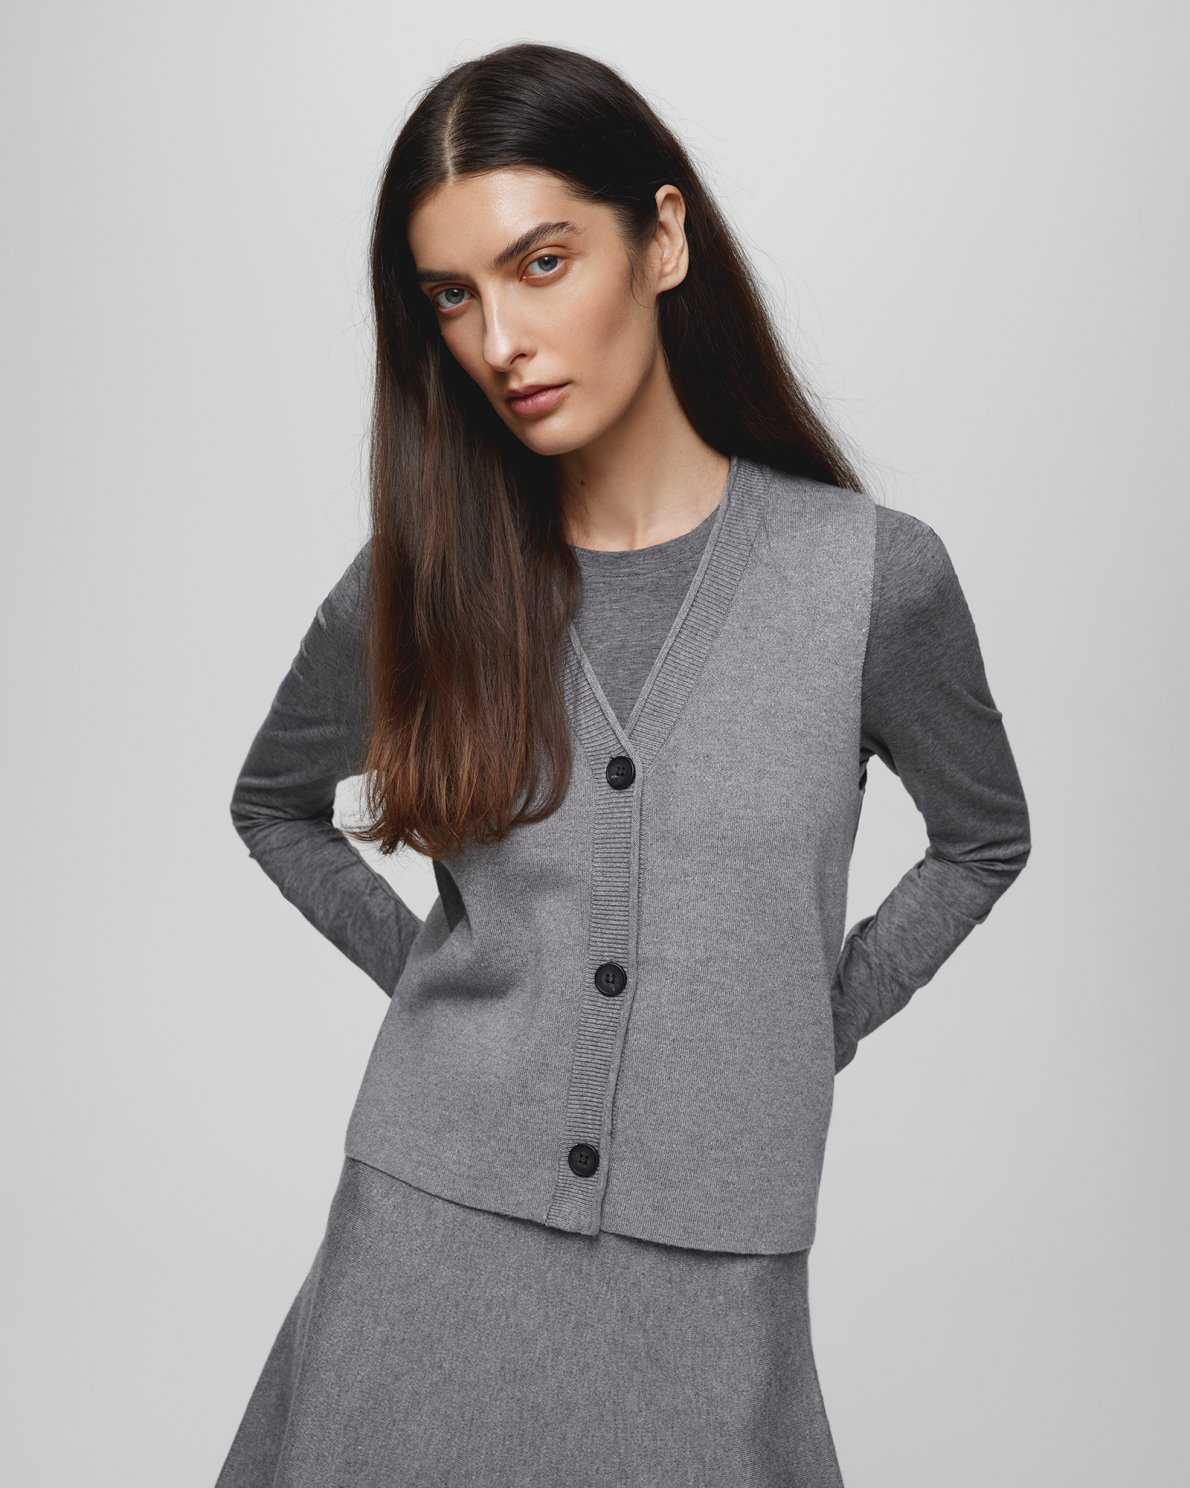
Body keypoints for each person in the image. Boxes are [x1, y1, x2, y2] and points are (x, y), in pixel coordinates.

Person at [213, 40, 1031, 1488]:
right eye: (451, 296)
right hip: (423, 1226)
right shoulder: (420, 577)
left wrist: (813, 1017)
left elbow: (984, 839)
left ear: (661, 239)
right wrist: (443, 989)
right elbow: (273, 807)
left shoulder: (868, 579)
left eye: (541, 264)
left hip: (719, 1230)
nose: (499, 341)